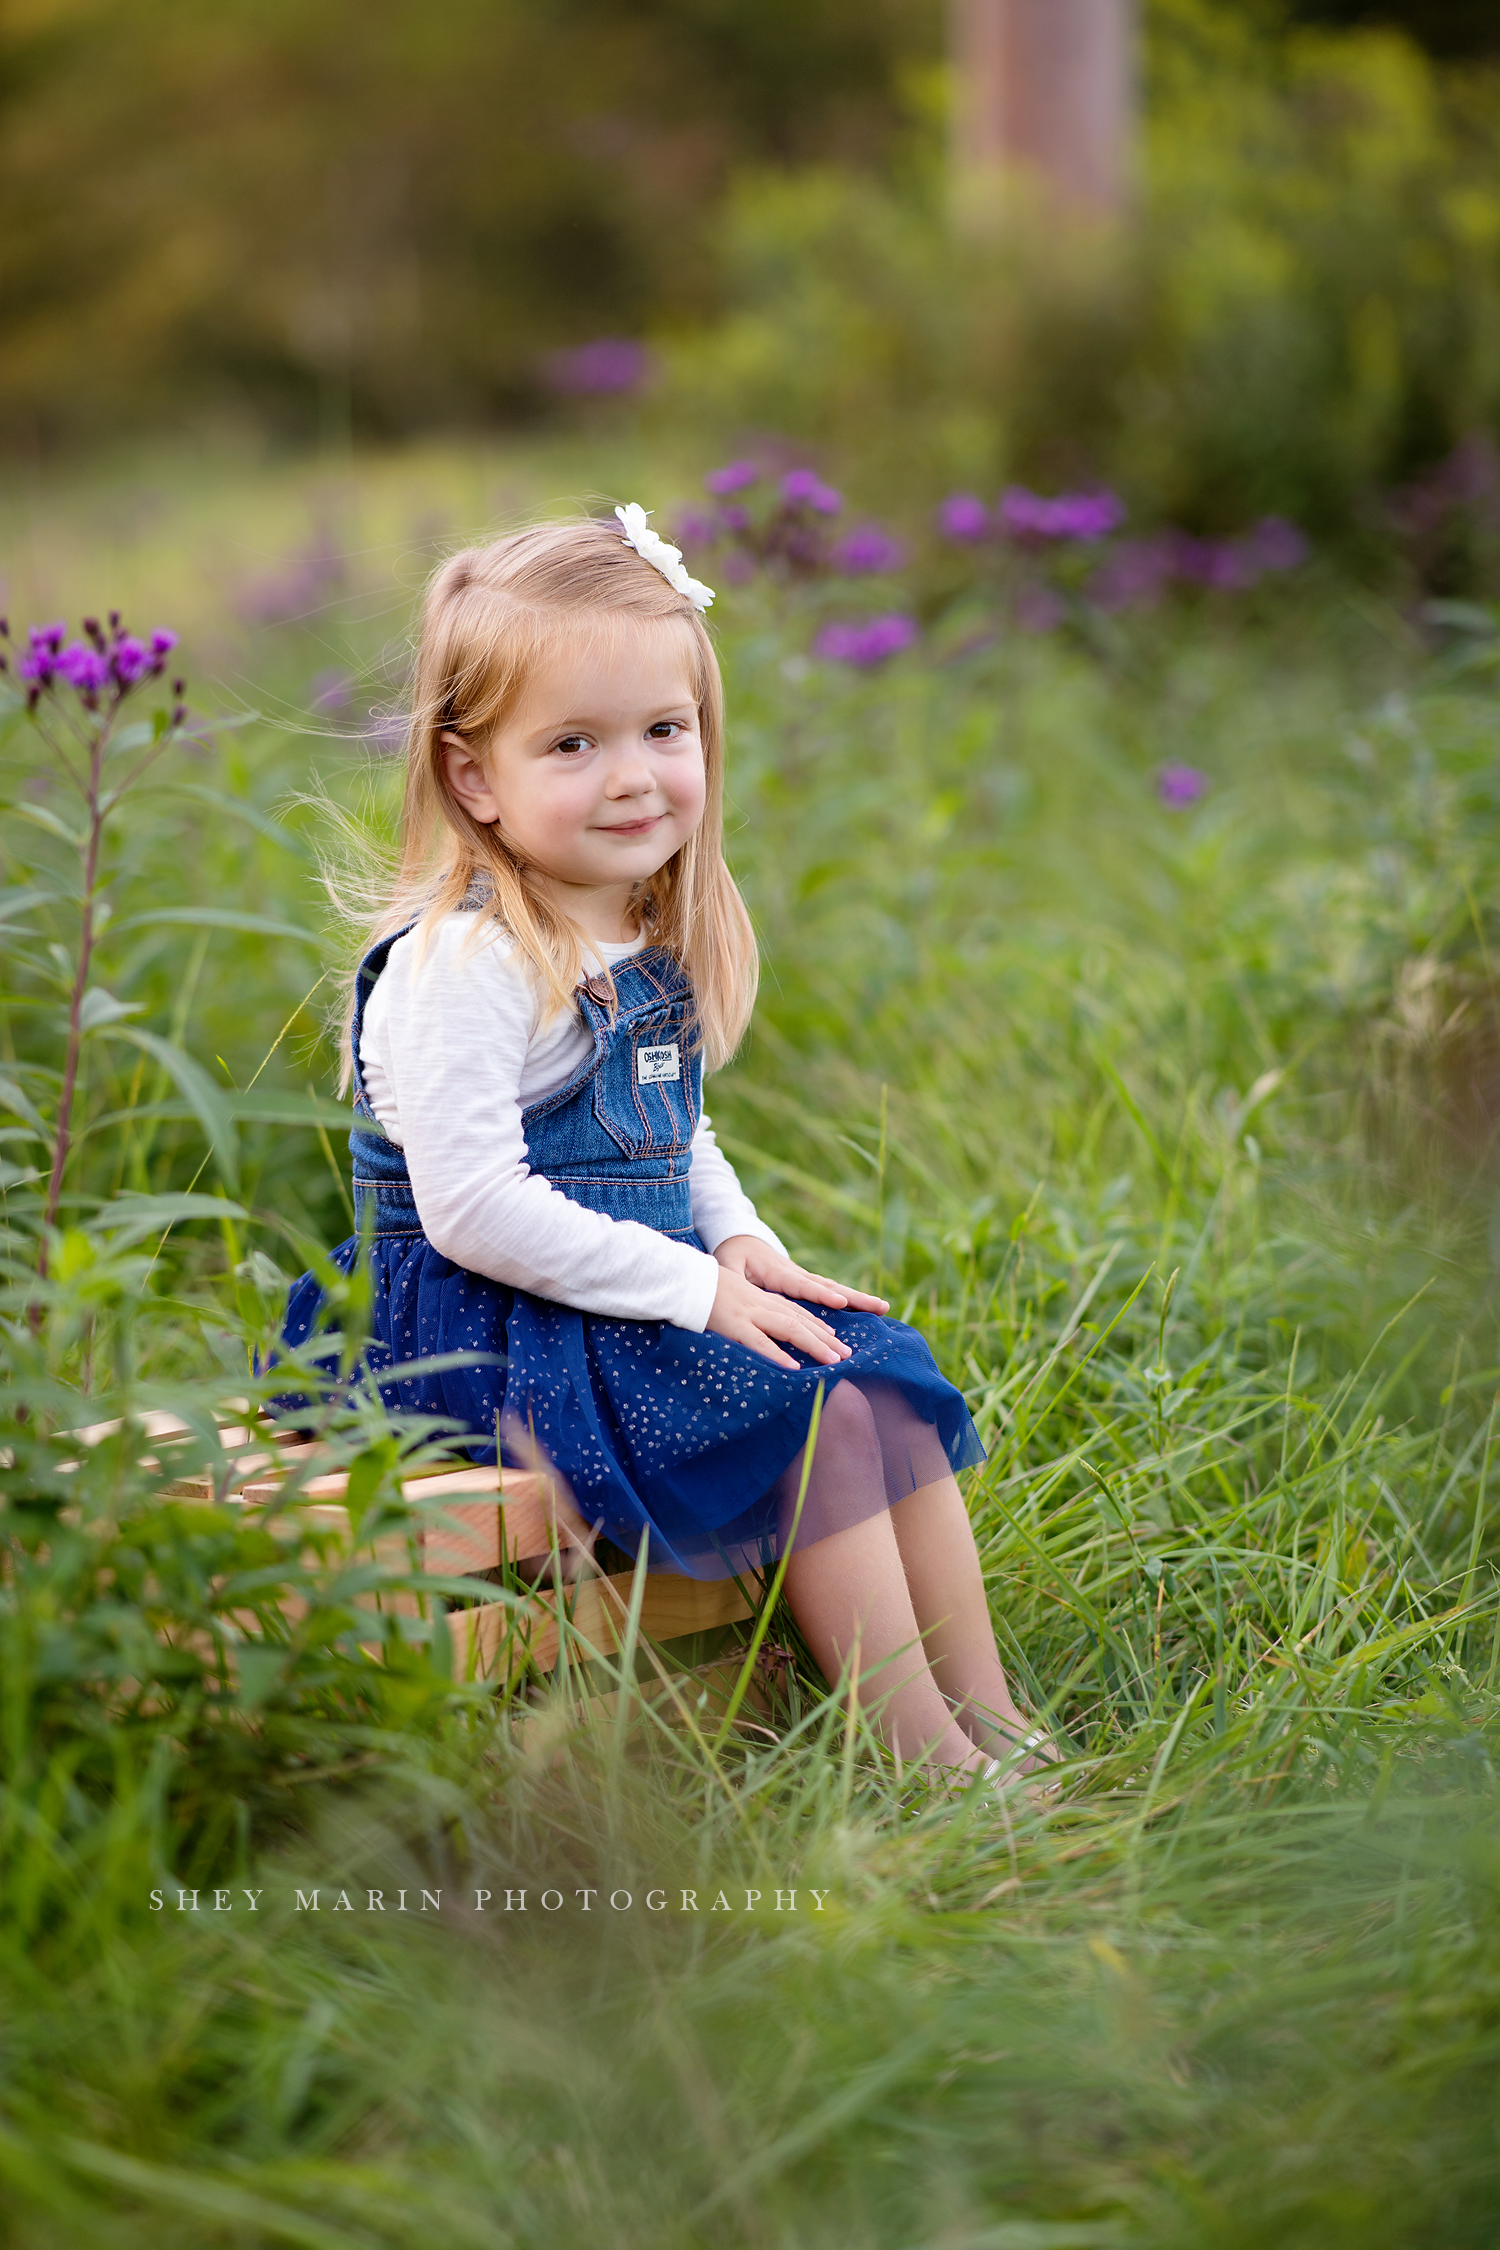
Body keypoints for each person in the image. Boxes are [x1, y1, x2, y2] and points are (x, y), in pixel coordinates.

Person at [281, 507, 1054, 1790]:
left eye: (663, 731)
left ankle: (1000, 1715)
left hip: (606, 1300)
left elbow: (673, 1131)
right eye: (574, 744)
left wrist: (740, 1244)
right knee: (817, 1420)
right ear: (475, 776)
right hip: (472, 1328)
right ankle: (929, 1762)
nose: (635, 775)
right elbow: (471, 1209)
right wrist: (698, 1289)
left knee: (881, 1372)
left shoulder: (633, 929)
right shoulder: (466, 960)